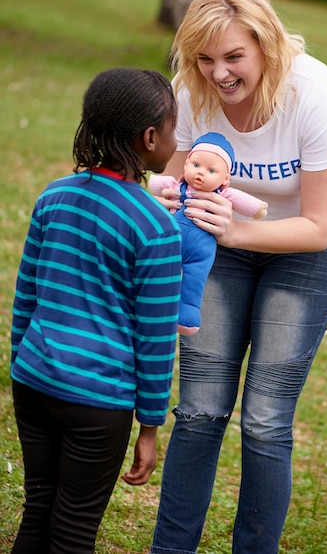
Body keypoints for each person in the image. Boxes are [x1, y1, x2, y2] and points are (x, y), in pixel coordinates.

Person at [147, 0, 327, 554]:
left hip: (310, 250)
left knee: (266, 417)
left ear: (267, 44)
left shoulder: (314, 92)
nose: (219, 73)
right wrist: (164, 199)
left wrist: (238, 227)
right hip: (216, 245)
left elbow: (318, 226)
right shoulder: (191, 91)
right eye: (205, 58)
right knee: (199, 407)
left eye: (234, 56)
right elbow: (171, 178)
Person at [10, 67, 183, 554]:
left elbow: (27, 294)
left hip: (33, 382)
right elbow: (154, 341)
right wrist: (150, 426)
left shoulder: (54, 196)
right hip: (96, 405)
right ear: (150, 138)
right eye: (174, 127)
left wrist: (22, 363)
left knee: (38, 510)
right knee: (73, 531)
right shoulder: (155, 229)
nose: (177, 138)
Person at [149, 131, 268, 335]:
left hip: (200, 249)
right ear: (186, 164)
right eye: (196, 165)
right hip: (170, 241)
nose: (201, 173)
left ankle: (187, 315)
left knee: (195, 279)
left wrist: (259, 209)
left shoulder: (224, 194)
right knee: (159, 271)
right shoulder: (175, 186)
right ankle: (151, 306)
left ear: (225, 179)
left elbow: (252, 207)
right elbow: (153, 184)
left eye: (211, 170)